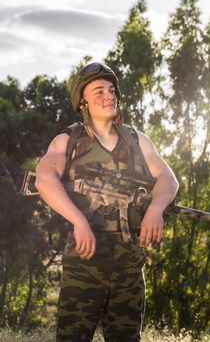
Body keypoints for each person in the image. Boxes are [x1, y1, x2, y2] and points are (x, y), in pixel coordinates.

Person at [35, 62, 179, 342]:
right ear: (83, 103)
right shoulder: (69, 139)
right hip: (85, 257)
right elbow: (43, 180)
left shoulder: (137, 140)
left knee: (126, 337)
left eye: (111, 90)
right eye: (99, 91)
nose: (109, 96)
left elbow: (168, 179)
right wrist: (78, 221)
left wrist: (156, 208)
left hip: (129, 260)